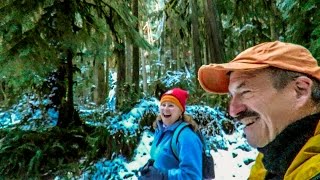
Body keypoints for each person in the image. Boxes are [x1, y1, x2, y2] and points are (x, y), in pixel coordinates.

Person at [198, 41, 320, 179]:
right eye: (232, 96)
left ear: (300, 90)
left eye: (245, 92)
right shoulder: (270, 164)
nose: (233, 111)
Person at [139, 88, 203, 179]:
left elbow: (193, 176)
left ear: (180, 111)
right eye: (163, 104)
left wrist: (163, 176)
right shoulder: (160, 130)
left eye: (171, 105)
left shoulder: (186, 137)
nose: (166, 109)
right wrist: (150, 168)